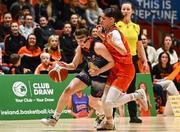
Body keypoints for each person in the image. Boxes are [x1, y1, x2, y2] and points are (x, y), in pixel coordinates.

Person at [40, 28, 115, 127]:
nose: (79, 43)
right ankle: (54, 118)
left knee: (92, 102)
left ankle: (103, 114)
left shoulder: (98, 47)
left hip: (101, 74)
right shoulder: (80, 47)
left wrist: (98, 71)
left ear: (89, 38)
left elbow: (112, 62)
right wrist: (64, 65)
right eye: (77, 40)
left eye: (81, 41)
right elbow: (74, 65)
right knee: (68, 90)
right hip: (89, 70)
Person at [96, 7, 148, 130]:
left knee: (109, 102)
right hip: (116, 69)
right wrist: (101, 36)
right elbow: (111, 46)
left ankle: (137, 95)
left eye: (104, 18)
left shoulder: (114, 33)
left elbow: (123, 50)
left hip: (125, 70)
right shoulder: (109, 32)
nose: (101, 20)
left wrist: (110, 42)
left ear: (111, 20)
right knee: (104, 101)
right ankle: (109, 123)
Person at [115, 2, 149, 123]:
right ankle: (111, 116)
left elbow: (139, 45)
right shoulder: (116, 25)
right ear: (121, 11)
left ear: (132, 11)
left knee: (131, 88)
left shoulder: (136, 27)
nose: (125, 11)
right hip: (118, 59)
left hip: (132, 59)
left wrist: (144, 61)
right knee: (115, 87)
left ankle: (133, 116)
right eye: (123, 9)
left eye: (128, 9)